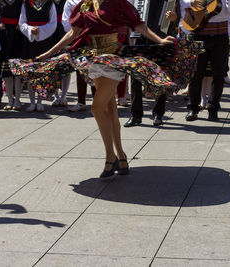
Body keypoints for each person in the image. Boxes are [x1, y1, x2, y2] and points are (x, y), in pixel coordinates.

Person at [10, 0, 195, 178]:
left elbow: (138, 25)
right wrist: (49, 52)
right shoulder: (86, 3)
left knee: (96, 108)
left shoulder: (117, 3)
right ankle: (121, 156)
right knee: (109, 109)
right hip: (92, 58)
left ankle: (110, 158)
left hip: (113, 58)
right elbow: (73, 32)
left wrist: (160, 40)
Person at [124, 0, 180, 128]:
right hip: (140, 40)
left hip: (162, 40)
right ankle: (135, 115)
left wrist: (173, 18)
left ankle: (158, 114)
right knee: (136, 78)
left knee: (160, 78)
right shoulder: (139, 2)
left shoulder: (170, 1)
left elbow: (178, 19)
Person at [182, 0, 230, 122]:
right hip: (199, 34)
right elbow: (182, 3)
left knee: (218, 75)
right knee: (196, 74)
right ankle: (193, 108)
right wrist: (190, 2)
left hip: (220, 36)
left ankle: (213, 109)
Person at [19, 0, 57, 112]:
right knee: (30, 72)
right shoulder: (26, 4)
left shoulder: (50, 3)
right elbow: (22, 22)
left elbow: (53, 22)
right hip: (30, 41)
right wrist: (30, 30)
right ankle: (32, 102)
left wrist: (40, 30)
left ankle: (40, 101)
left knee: (42, 71)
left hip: (45, 40)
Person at [0, 0, 25, 110]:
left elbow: (25, 12)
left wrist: (22, 22)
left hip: (18, 34)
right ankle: (9, 100)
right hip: (4, 35)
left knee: (18, 70)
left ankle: (17, 99)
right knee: (6, 71)